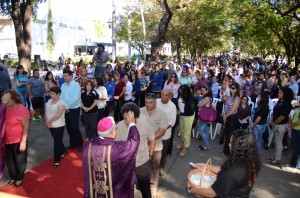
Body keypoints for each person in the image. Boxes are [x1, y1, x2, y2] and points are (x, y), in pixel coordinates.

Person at [187, 129, 261, 198]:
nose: (229, 144)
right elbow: (223, 168)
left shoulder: (231, 174)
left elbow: (211, 193)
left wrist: (190, 189)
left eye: (231, 143)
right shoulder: (249, 159)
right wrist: (207, 167)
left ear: (239, 148)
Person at [83, 114, 140, 198]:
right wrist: (132, 123)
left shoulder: (88, 146)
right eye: (115, 128)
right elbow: (134, 142)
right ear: (112, 132)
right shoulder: (118, 148)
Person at [115, 102, 155, 198]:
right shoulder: (119, 125)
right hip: (125, 164)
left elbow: (152, 140)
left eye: (127, 118)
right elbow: (116, 144)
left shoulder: (145, 125)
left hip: (142, 163)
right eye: (124, 118)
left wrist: (150, 155)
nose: (125, 121)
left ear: (135, 117)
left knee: (145, 188)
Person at [140, 93, 168, 197]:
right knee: (141, 167)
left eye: (150, 102)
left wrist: (149, 140)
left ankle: (153, 187)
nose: (148, 104)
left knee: (154, 168)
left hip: (156, 146)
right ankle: (142, 184)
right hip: (141, 147)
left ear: (155, 102)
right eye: (146, 102)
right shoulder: (140, 111)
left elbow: (162, 131)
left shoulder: (162, 113)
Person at [2, 90, 30, 188]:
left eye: (7, 99)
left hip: (18, 139)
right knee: (10, 161)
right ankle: (13, 176)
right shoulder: (4, 108)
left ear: (13, 99)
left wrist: (23, 141)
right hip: (7, 140)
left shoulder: (21, 109)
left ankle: (19, 178)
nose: (4, 101)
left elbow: (26, 126)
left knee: (19, 161)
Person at [268, 87, 293, 164]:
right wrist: (272, 120)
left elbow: (282, 116)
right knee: (276, 141)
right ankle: (275, 155)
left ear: (285, 94)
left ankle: (277, 159)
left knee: (279, 142)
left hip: (281, 125)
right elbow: (274, 112)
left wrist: (274, 123)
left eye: (280, 93)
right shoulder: (280, 101)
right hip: (276, 124)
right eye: (278, 92)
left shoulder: (287, 104)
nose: (278, 94)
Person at [60, 69, 83, 152]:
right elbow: (61, 97)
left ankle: (80, 144)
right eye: (64, 76)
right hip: (65, 109)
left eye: (66, 76)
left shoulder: (76, 85)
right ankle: (72, 143)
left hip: (74, 109)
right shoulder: (63, 85)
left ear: (71, 76)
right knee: (69, 127)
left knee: (75, 127)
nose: (64, 77)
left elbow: (75, 98)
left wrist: (67, 107)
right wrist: (64, 108)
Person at [45, 86, 67, 168]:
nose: (51, 95)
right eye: (50, 93)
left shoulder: (61, 102)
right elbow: (46, 112)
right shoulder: (49, 101)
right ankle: (63, 151)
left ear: (58, 94)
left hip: (59, 125)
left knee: (56, 143)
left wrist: (49, 121)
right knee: (57, 139)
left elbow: (58, 115)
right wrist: (47, 121)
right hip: (50, 124)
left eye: (53, 93)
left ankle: (57, 160)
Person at [156, 89, 176, 177]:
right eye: (162, 94)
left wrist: (162, 129)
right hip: (153, 132)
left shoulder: (172, 106)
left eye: (166, 95)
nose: (164, 97)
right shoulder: (155, 102)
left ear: (169, 96)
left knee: (163, 152)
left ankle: (161, 167)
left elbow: (172, 122)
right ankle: (153, 167)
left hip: (165, 134)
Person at [177, 85, 197, 156]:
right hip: (182, 116)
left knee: (187, 132)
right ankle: (182, 143)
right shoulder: (180, 95)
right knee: (182, 130)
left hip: (188, 117)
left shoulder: (191, 99)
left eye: (181, 92)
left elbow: (191, 111)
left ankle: (186, 147)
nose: (180, 93)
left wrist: (181, 112)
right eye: (179, 91)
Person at [222, 82, 241, 156]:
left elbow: (233, 110)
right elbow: (226, 107)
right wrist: (224, 114)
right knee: (227, 133)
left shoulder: (237, 98)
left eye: (233, 88)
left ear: (236, 90)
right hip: (228, 116)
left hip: (233, 117)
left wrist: (226, 115)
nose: (231, 90)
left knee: (230, 134)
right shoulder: (230, 97)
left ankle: (229, 151)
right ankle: (226, 150)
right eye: (231, 88)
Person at [197, 86, 215, 151]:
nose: (202, 91)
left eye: (203, 90)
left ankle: (206, 146)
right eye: (201, 90)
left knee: (202, 131)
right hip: (205, 116)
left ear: (207, 91)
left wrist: (198, 104)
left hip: (203, 116)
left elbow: (200, 105)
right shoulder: (208, 97)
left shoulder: (207, 98)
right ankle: (205, 145)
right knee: (205, 131)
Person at [287, 102, 300, 171]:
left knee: (296, 149)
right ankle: (294, 164)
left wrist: (290, 126)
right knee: (296, 148)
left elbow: (299, 122)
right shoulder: (297, 107)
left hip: (297, 131)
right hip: (295, 130)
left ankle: (294, 164)